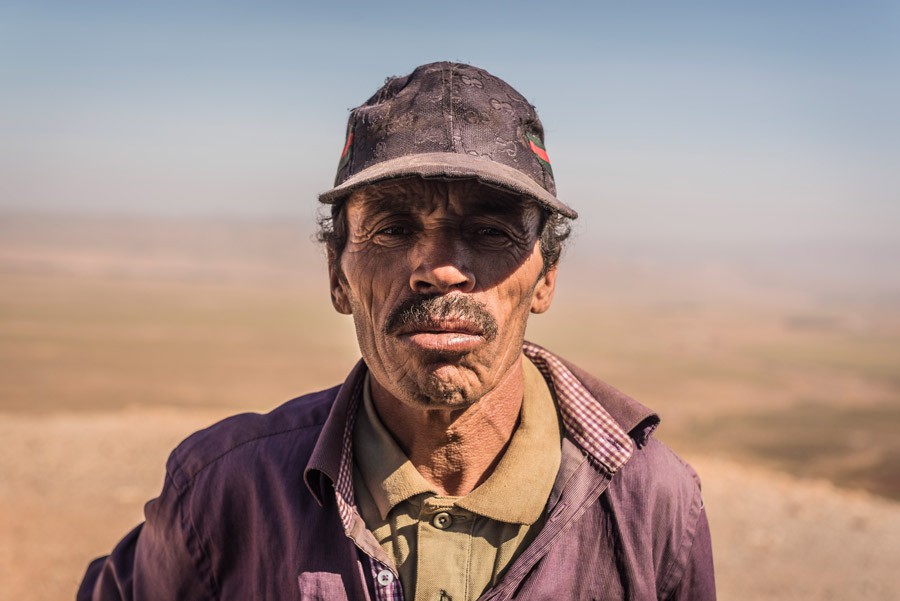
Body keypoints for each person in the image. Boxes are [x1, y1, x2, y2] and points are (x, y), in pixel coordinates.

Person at [79, 62, 715, 601]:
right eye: (393, 230)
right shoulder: (227, 488)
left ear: (545, 277)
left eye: (490, 233)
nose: (439, 269)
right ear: (338, 275)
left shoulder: (650, 501)